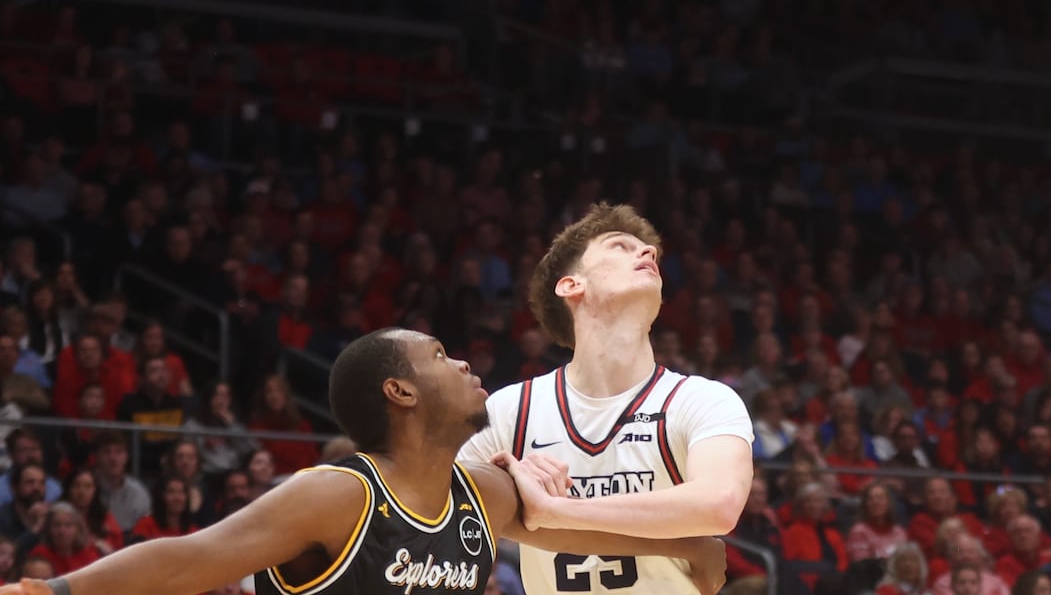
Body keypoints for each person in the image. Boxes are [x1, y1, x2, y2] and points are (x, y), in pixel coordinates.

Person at [0, 327, 725, 595]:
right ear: (400, 389)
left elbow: (574, 529)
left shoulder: (483, 496)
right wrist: (57, 592)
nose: (465, 359)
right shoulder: (338, 495)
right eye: (440, 355)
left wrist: (691, 544)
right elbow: (188, 560)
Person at [461, 202, 754, 595]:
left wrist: (554, 511)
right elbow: (447, 509)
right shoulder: (510, 409)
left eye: (647, 251)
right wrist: (502, 482)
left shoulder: (702, 399)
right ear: (571, 285)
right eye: (620, 246)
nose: (648, 253)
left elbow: (718, 505)